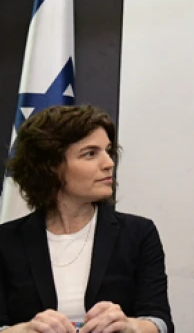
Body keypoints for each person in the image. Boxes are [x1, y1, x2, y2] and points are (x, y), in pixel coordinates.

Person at [0, 105, 172, 333]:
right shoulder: (6, 240)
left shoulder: (138, 233)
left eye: (108, 151)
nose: (109, 163)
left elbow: (160, 322)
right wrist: (23, 330)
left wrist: (130, 326)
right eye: (90, 153)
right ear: (51, 166)